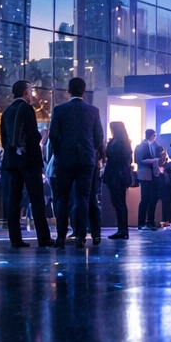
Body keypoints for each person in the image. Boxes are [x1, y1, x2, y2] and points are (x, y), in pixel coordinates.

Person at [48, 77, 105, 248]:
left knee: (62, 198)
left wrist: (59, 153)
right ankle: (81, 236)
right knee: (83, 198)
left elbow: (53, 136)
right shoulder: (93, 111)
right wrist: (90, 150)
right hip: (86, 160)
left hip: (65, 160)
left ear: (68, 91)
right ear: (84, 91)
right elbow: (99, 137)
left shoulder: (59, 110)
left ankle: (60, 237)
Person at [0, 80, 53, 247]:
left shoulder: (7, 112)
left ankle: (15, 238)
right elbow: (32, 135)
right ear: (25, 93)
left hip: (12, 163)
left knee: (13, 201)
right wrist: (40, 137)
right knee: (36, 199)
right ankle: (43, 238)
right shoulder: (27, 109)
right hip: (29, 162)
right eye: (30, 91)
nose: (31, 94)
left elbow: (4, 138)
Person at [103, 121, 133, 240]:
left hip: (116, 175)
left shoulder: (118, 143)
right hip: (118, 174)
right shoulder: (123, 142)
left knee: (119, 202)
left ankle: (122, 229)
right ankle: (122, 229)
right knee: (119, 203)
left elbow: (113, 157)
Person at [135, 129, 165, 230]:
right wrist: (155, 160)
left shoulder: (154, 146)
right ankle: (141, 222)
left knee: (153, 198)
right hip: (145, 175)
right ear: (152, 136)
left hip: (153, 175)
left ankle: (150, 221)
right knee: (145, 199)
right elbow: (140, 160)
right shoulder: (141, 146)